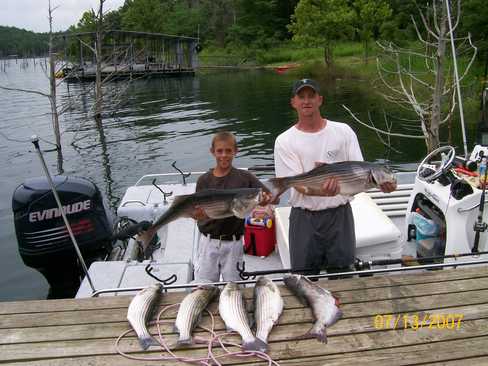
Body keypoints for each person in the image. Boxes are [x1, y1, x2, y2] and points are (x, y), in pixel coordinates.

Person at [274, 78, 396, 276]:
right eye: (301, 97)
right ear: (293, 102)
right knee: (303, 279)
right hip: (304, 218)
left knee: (343, 277)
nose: (307, 101)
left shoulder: (343, 131)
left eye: (311, 96)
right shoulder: (284, 141)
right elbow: (299, 186)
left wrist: (382, 185)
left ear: (320, 100)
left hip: (340, 216)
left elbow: (359, 176)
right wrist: (323, 191)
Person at [192, 131, 272, 282]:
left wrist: (265, 200)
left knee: (235, 287)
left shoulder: (246, 178)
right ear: (212, 152)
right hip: (208, 242)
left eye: (228, 151)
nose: (224, 155)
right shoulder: (203, 180)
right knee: (204, 286)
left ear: (236, 151)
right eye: (219, 151)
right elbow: (197, 212)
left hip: (234, 243)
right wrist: (197, 215)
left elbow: (270, 197)